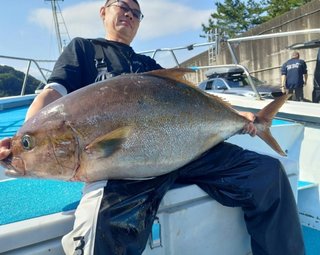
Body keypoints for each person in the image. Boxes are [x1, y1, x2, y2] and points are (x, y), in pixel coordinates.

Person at [0, 0, 305, 254]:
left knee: (268, 174)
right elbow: (52, 94)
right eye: (123, 6)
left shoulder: (147, 64)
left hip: (185, 149)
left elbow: (191, 105)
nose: (130, 14)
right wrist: (21, 138)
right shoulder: (83, 51)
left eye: (137, 12)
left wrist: (240, 118)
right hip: (125, 166)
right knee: (103, 225)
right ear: (103, 12)